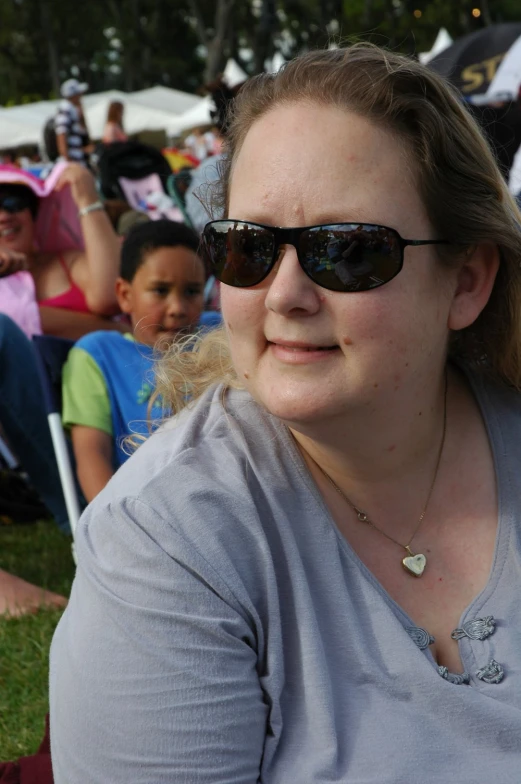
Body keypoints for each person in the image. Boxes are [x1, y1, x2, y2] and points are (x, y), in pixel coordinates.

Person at [50, 44, 521, 781]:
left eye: (348, 251)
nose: (284, 295)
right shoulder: (168, 540)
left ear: (465, 281)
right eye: (250, 248)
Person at [62, 220, 209, 503]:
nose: (178, 308)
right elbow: (93, 454)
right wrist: (111, 524)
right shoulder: (97, 355)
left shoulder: (216, 335)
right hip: (146, 507)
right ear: (125, 295)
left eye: (192, 291)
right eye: (160, 290)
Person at [0, 162, 124, 338]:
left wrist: (88, 200)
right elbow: (21, 321)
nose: (4, 216)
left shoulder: (67, 261)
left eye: (14, 203)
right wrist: (119, 331)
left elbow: (111, 297)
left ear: (34, 214)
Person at [55, 79, 93, 166]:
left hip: (78, 160)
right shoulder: (65, 108)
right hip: (73, 161)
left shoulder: (73, 109)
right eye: (79, 93)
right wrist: (67, 159)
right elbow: (61, 134)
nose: (81, 96)